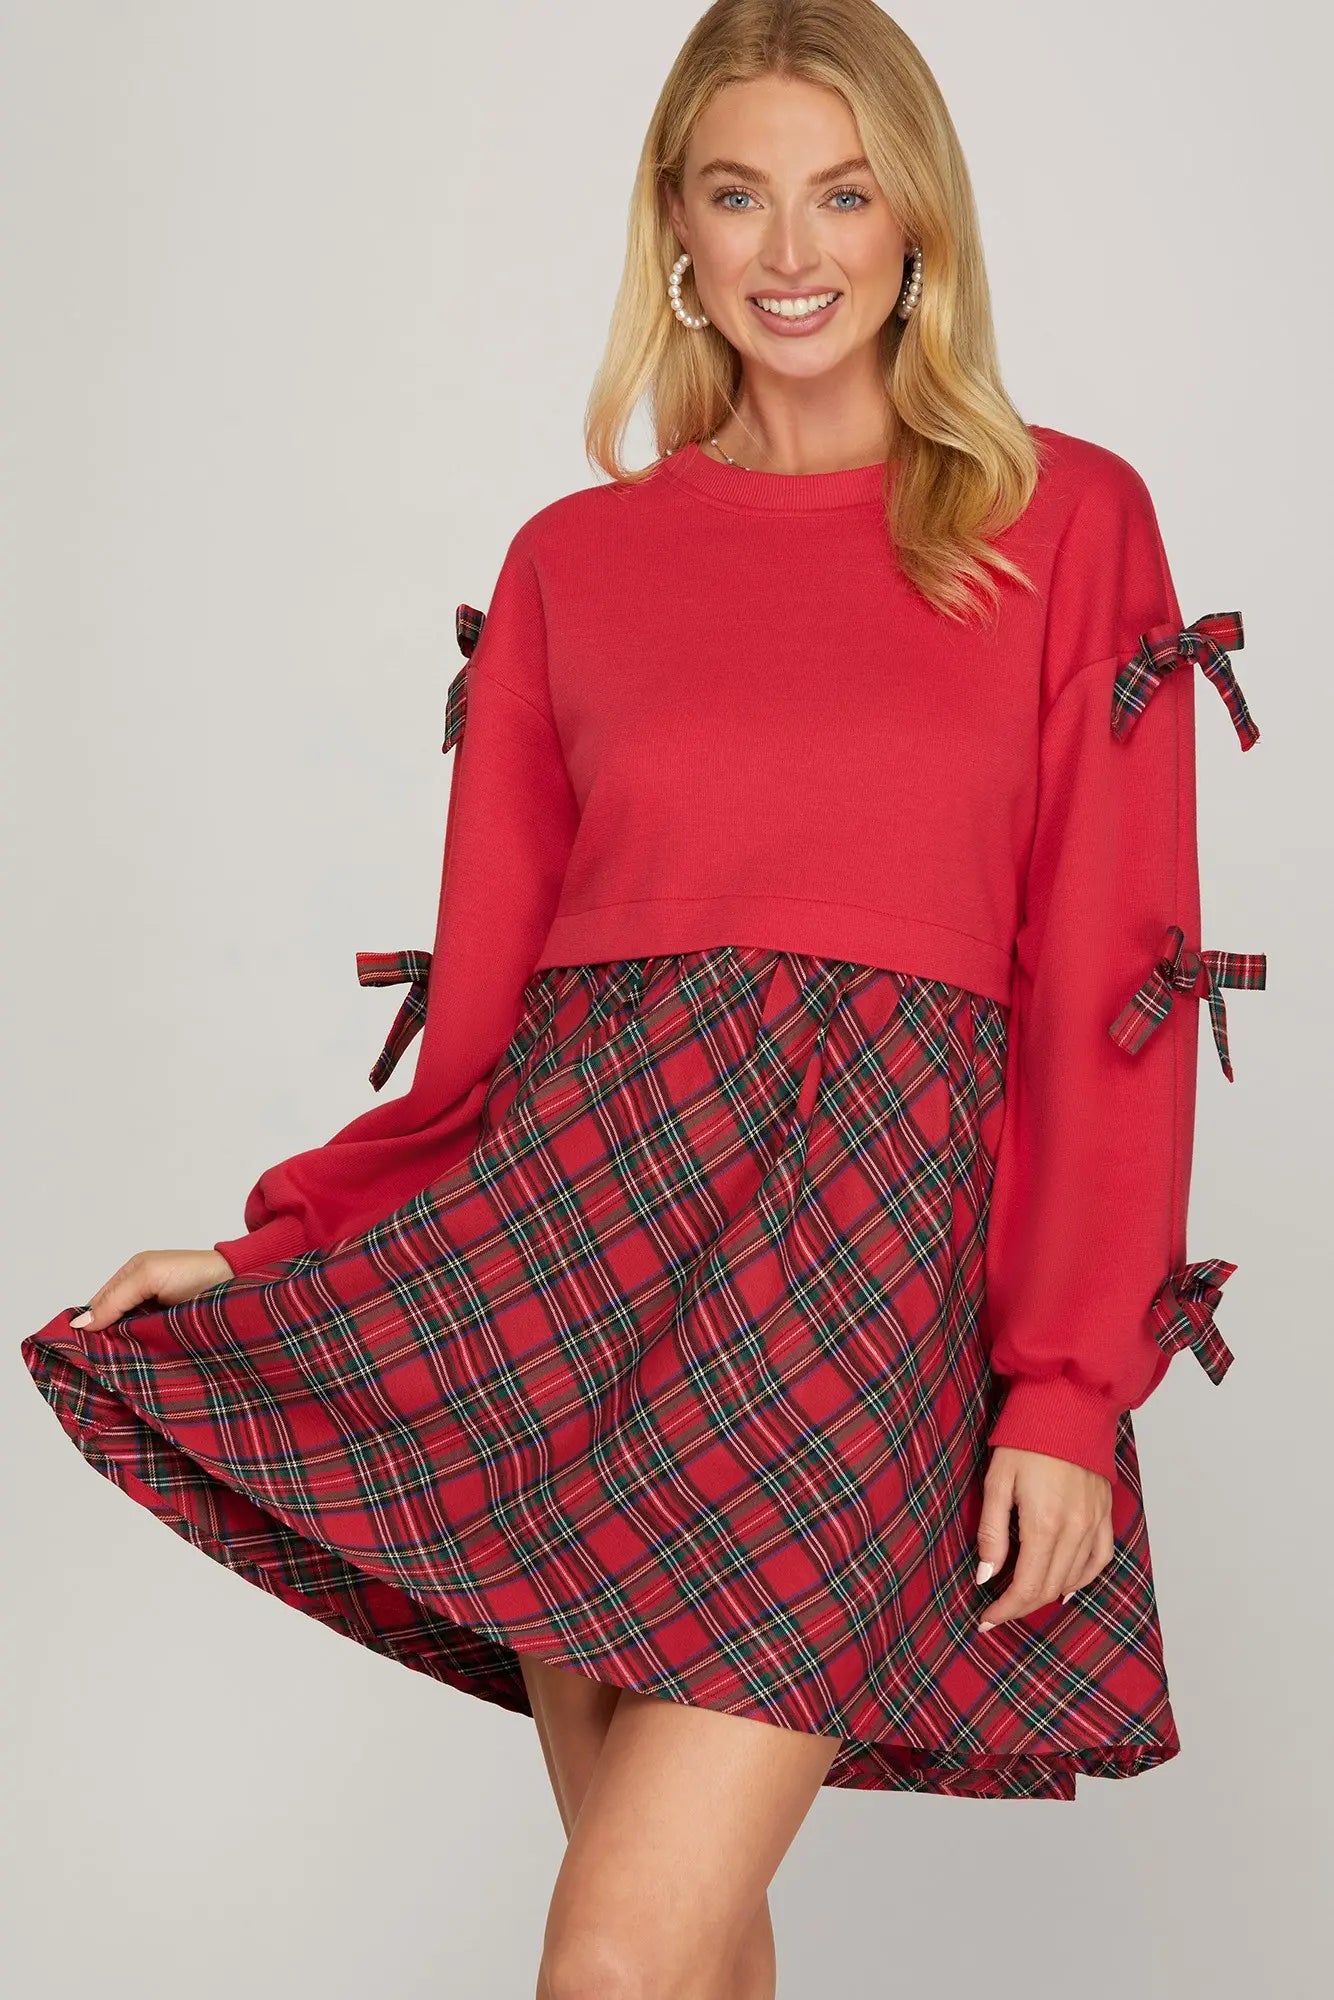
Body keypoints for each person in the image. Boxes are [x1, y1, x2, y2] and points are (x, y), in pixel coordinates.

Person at [21, 3, 1267, 1995]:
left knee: (610, 1955)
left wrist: (1062, 1383)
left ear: (918, 223)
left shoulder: (1061, 520)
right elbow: (489, 1023)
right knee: (679, 1951)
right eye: (738, 194)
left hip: (860, 1277)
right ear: (673, 229)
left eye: (842, 193)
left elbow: (1113, 975)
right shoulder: (573, 563)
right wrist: (285, 1246)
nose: (793, 248)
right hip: (574, 1263)